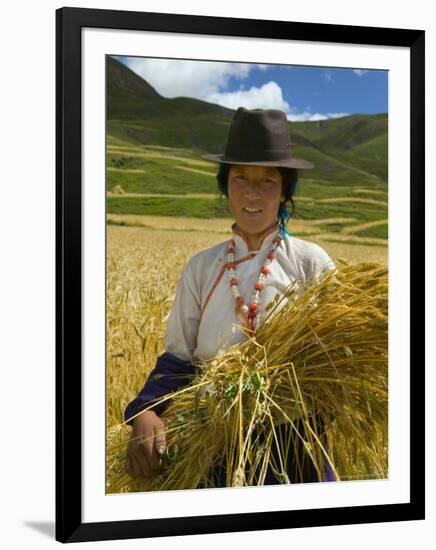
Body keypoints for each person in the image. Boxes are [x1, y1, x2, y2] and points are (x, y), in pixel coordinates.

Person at [123, 107, 336, 484]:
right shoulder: (202, 268)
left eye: (267, 180)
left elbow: (337, 363)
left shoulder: (309, 264)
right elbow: (178, 358)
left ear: (285, 189)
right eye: (240, 177)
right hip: (213, 449)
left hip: (295, 449)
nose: (252, 192)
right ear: (225, 185)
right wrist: (147, 412)